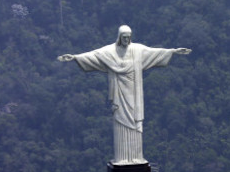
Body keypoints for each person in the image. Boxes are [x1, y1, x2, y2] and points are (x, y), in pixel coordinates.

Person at [58, 25, 191, 164]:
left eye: (128, 37)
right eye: (124, 37)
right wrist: (74, 57)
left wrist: (173, 51)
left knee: (135, 125)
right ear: (119, 37)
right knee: (121, 124)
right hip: (119, 96)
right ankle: (122, 158)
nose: (127, 40)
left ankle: (136, 157)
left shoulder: (137, 50)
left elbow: (154, 53)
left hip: (134, 95)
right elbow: (94, 55)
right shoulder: (110, 52)